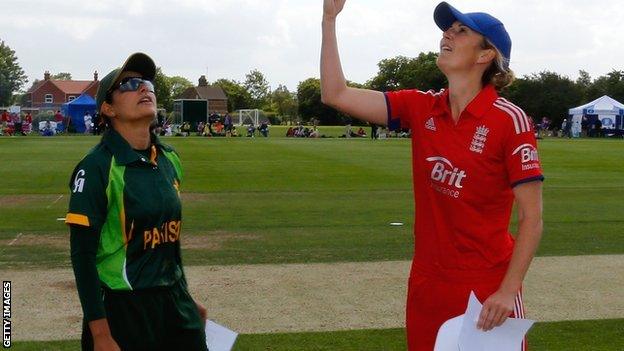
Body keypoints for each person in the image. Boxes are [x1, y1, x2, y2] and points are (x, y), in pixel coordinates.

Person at [321, 2, 544, 350]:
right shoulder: (422, 106)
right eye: (447, 29)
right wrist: (329, 19)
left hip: (486, 286)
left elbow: (532, 216)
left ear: (486, 54)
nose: (447, 34)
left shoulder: (509, 120)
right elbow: (336, 94)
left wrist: (507, 290)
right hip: (427, 282)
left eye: (461, 31)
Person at [65, 53, 208, 351]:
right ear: (108, 108)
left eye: (146, 82)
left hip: (175, 302)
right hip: (124, 310)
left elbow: (168, 240)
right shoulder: (96, 168)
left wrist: (186, 296)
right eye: (130, 84)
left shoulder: (169, 158)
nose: (144, 88)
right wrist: (101, 334)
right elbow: (82, 256)